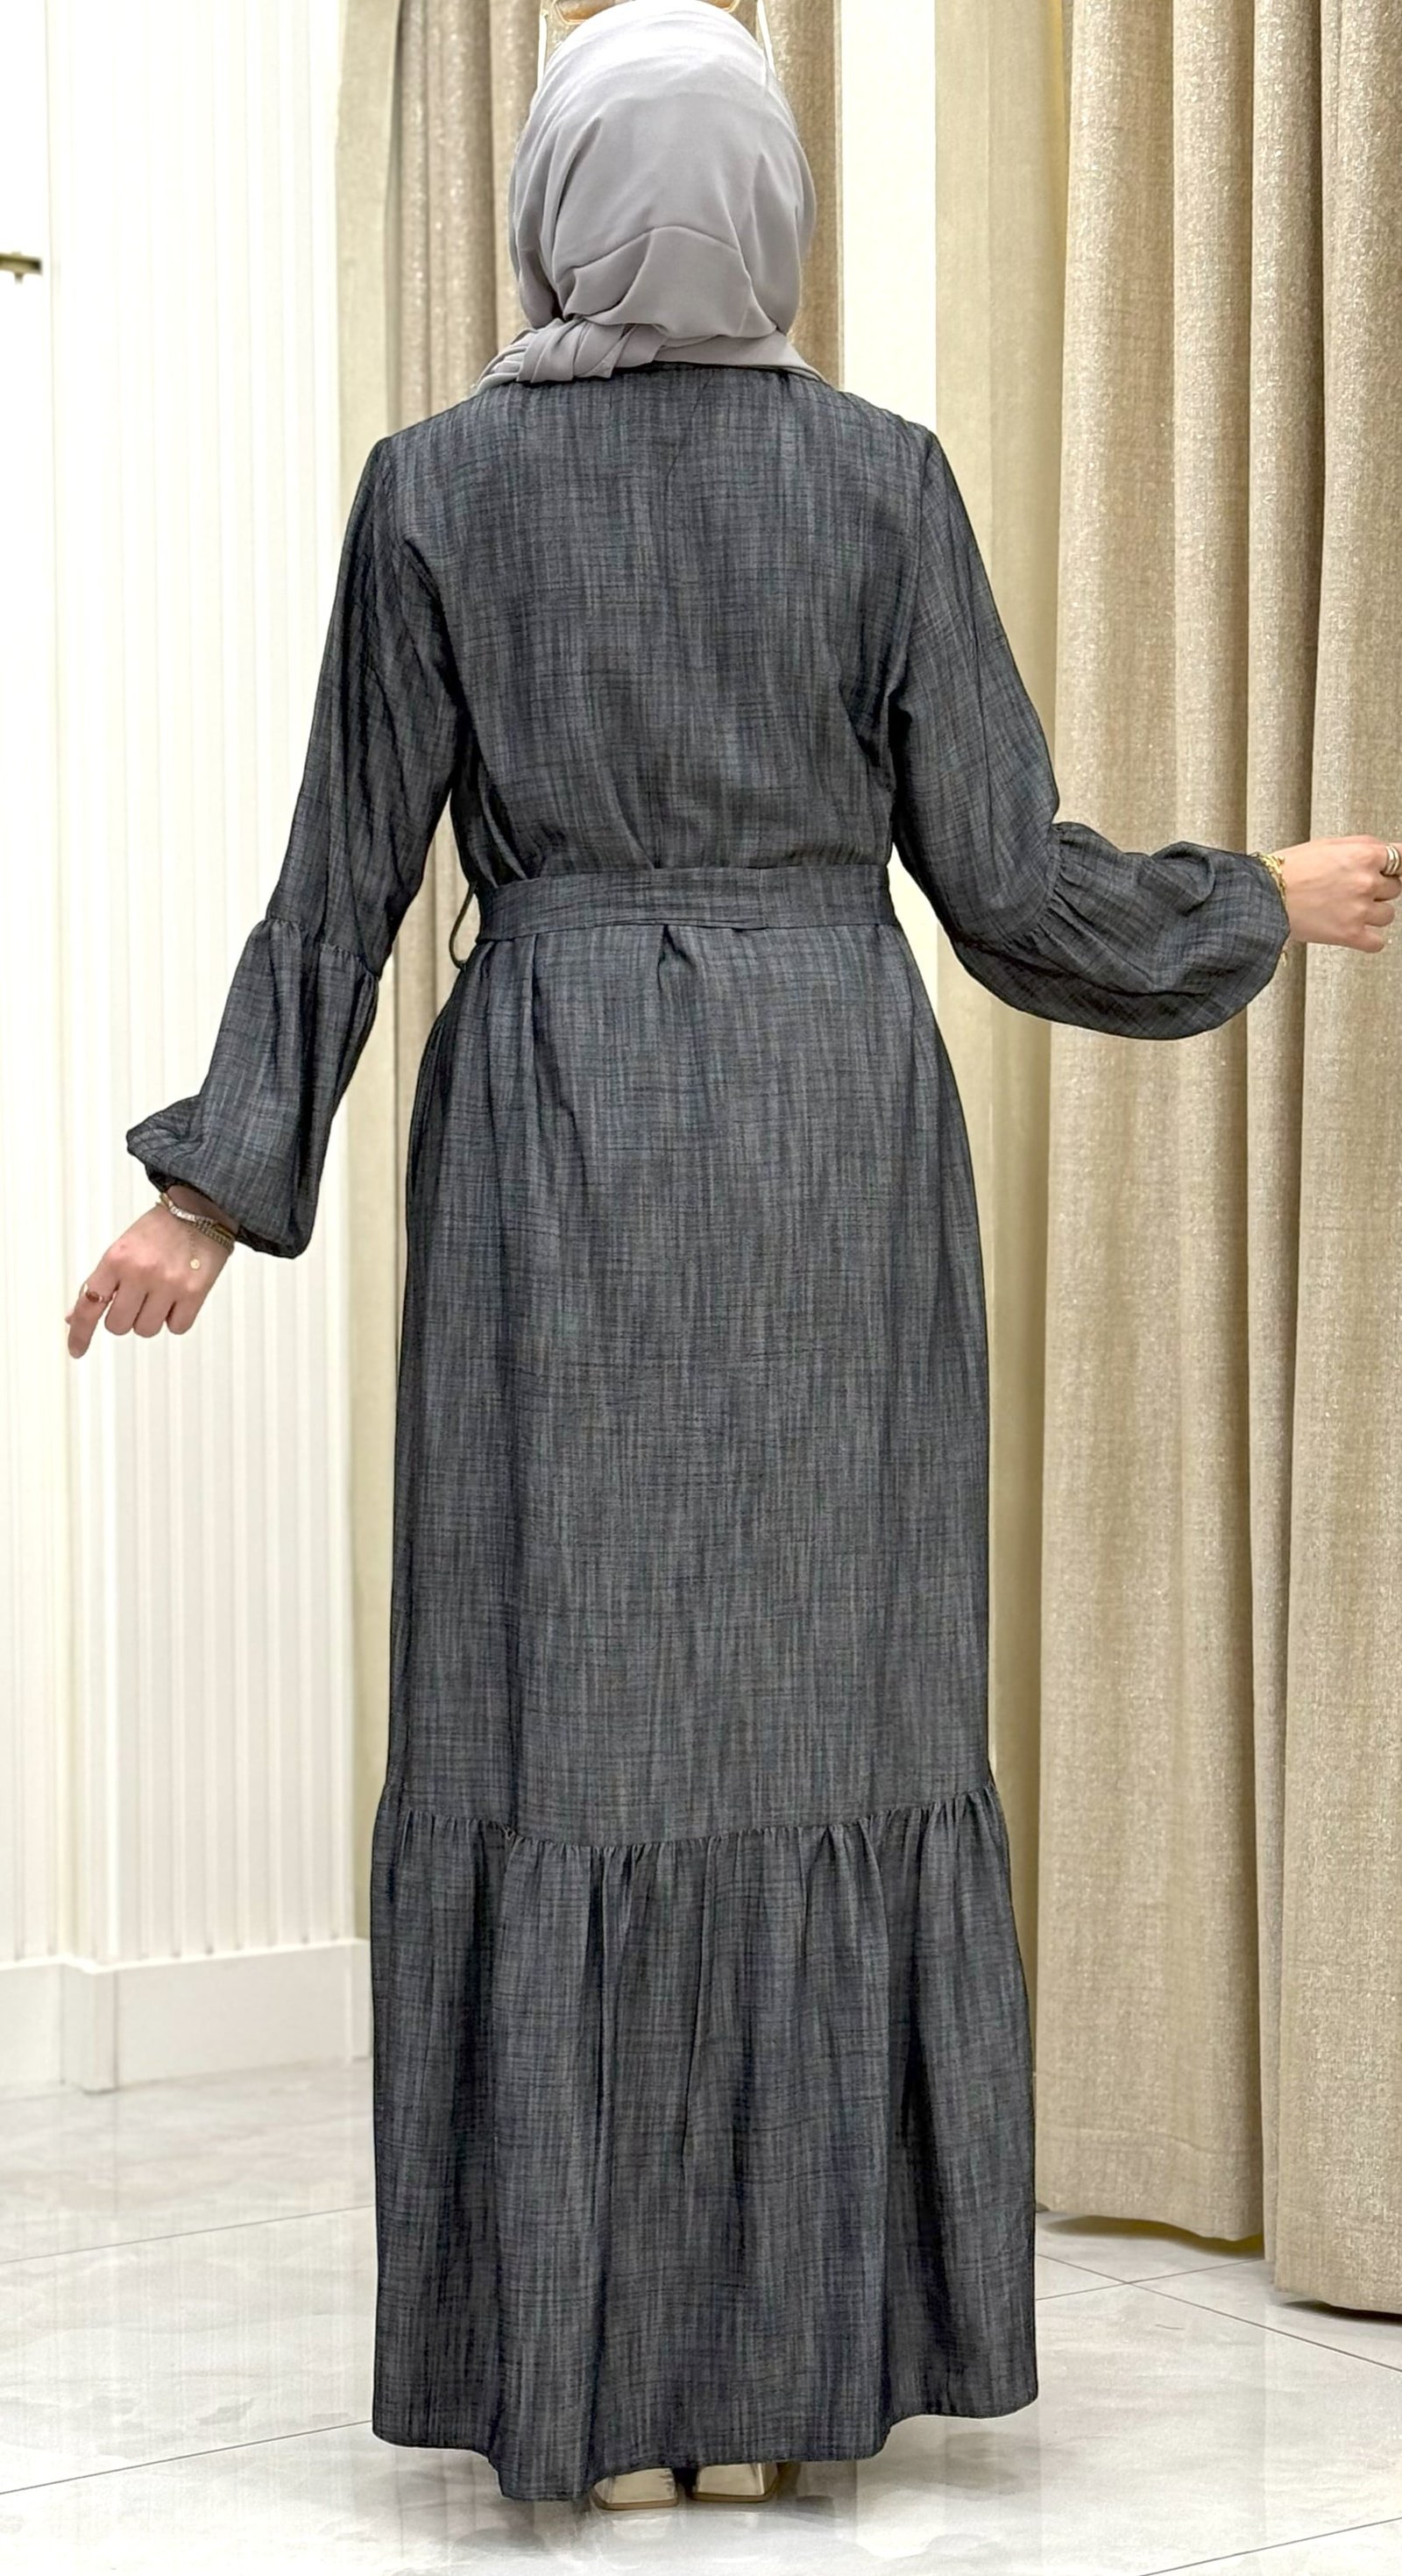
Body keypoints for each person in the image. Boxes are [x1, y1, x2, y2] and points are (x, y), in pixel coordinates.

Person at [67, 0, 1397, 2519]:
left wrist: (207, 1191)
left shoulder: (440, 488)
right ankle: (797, 2381)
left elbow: (340, 879)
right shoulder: (879, 482)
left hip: (558, 1141)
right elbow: (1009, 888)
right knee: (821, 1723)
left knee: (568, 1726)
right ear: (765, 211)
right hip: (827, 1148)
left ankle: (597, 2383)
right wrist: (1255, 894)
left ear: (558, 204)